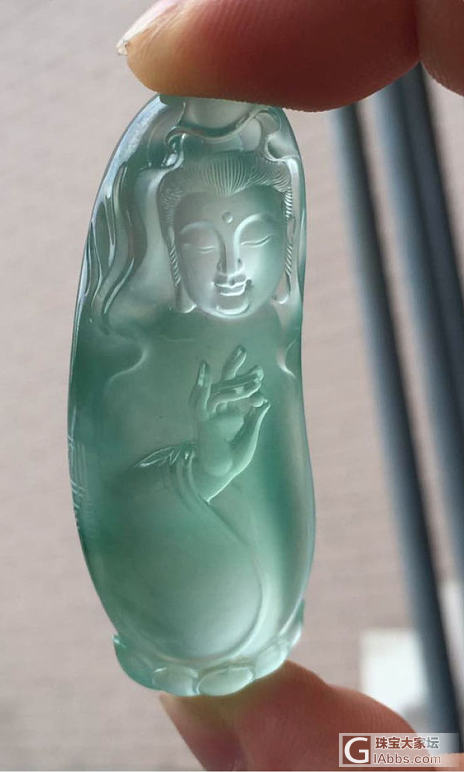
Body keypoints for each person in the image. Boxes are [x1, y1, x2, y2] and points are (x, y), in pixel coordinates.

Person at [114, 0, 464, 769]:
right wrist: (202, 466)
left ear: (285, 240)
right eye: (200, 241)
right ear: (167, 250)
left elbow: (274, 484)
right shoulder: (141, 351)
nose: (229, 267)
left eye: (252, 237)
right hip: (180, 600)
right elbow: (115, 484)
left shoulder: (267, 340)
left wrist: (219, 462)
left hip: (255, 593)